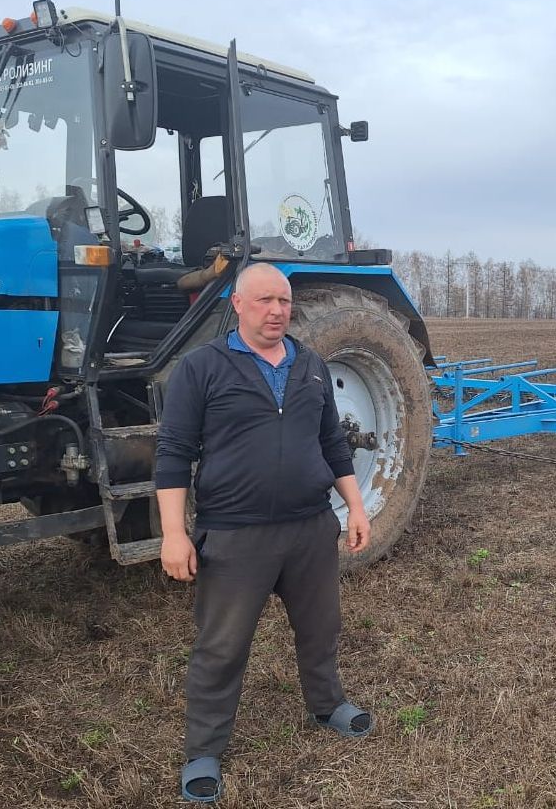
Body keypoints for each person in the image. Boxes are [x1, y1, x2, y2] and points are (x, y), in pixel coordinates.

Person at [154, 262, 374, 804]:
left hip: (308, 528)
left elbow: (333, 443)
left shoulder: (312, 366)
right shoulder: (201, 367)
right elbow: (174, 453)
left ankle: (327, 705)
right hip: (235, 535)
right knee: (222, 645)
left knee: (321, 628)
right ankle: (204, 750)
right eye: (265, 301)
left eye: (284, 301)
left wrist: (356, 506)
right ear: (237, 303)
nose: (277, 311)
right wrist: (174, 534)